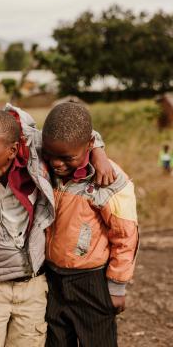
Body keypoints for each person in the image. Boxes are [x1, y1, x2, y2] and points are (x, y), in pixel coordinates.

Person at [0, 108, 114, 347]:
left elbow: (72, 131)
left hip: (33, 283)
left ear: (13, 149)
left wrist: (98, 150)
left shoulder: (35, 151)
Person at [41, 102, 139, 347]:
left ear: (88, 145)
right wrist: (98, 148)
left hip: (91, 281)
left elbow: (125, 237)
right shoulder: (46, 168)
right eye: (50, 154)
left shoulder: (110, 181)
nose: (56, 164)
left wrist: (117, 287)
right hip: (52, 277)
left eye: (66, 158)